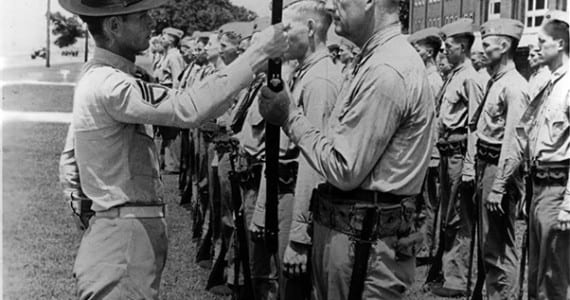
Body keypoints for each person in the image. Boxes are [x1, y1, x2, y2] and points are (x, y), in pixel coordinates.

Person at [57, 0, 289, 298]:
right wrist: (258, 54)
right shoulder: (109, 83)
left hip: (118, 234)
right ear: (113, 26)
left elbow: (69, 164)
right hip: (121, 241)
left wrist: (97, 221)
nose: (150, 22)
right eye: (141, 16)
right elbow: (188, 107)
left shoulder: (99, 77)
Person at [258, 0, 435, 298]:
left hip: (365, 249)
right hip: (355, 239)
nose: (328, 6)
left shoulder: (385, 68)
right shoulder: (372, 60)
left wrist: (289, 116)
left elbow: (344, 167)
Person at [502, 10, 570, 300]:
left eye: (542, 41)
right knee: (536, 273)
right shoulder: (548, 82)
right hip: (539, 187)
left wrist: (569, 204)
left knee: (554, 275)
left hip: (557, 189)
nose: (537, 46)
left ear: (561, 44)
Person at [426, 18, 487, 297]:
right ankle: (445, 271)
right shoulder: (453, 76)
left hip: (460, 154)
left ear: (461, 47)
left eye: (448, 47)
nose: (443, 51)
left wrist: (469, 167)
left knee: (459, 219)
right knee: (446, 217)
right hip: (446, 151)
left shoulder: (470, 78)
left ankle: (457, 279)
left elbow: (475, 126)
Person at [471, 18, 529, 299]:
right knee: (488, 245)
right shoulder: (497, 81)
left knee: (499, 249)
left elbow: (515, 141)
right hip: (487, 165)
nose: (481, 51)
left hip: (499, 170)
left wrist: (498, 186)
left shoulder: (514, 87)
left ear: (504, 46)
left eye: (487, 45)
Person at [407, 26, 444, 259]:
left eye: (416, 48)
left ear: (429, 52)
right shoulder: (425, 77)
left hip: (430, 152)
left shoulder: (432, 81)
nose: (413, 52)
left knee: (429, 203)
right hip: (423, 150)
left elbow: (430, 120)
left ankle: (427, 247)